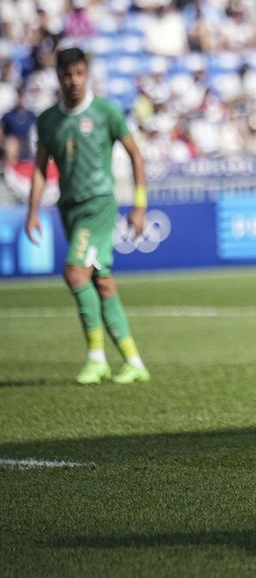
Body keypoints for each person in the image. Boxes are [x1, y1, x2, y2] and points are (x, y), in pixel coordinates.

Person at [25, 48, 152, 386]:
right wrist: (32, 211)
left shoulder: (105, 111)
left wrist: (140, 206)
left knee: (75, 272)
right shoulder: (49, 119)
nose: (74, 80)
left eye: (80, 73)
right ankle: (134, 361)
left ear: (88, 74)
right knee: (102, 281)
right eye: (68, 74)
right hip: (69, 207)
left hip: (98, 204)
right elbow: (40, 168)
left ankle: (96, 359)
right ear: (58, 77)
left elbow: (136, 156)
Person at [2, 89, 36, 169]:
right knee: (11, 143)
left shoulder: (31, 115)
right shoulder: (8, 116)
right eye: (19, 97)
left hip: (27, 144)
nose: (20, 100)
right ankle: (10, 170)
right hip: (13, 146)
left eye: (22, 97)